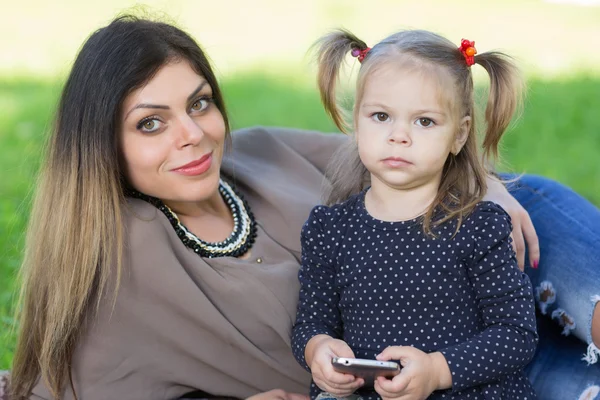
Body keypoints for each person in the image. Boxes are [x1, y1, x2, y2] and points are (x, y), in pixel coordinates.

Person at [4, 15, 599, 400]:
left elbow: (408, 142)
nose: (192, 134)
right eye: (151, 123)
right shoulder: (119, 262)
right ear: (101, 144)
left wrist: (481, 183)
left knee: (573, 274)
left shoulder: (258, 152)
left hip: (501, 247)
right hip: (449, 378)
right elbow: (53, 385)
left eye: (201, 103)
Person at [291, 29, 537, 399]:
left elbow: (516, 334)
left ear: (459, 134)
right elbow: (312, 322)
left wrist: (438, 370)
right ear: (357, 122)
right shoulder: (330, 229)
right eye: (380, 116)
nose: (399, 135)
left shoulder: (477, 224)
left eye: (424, 121)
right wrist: (318, 351)